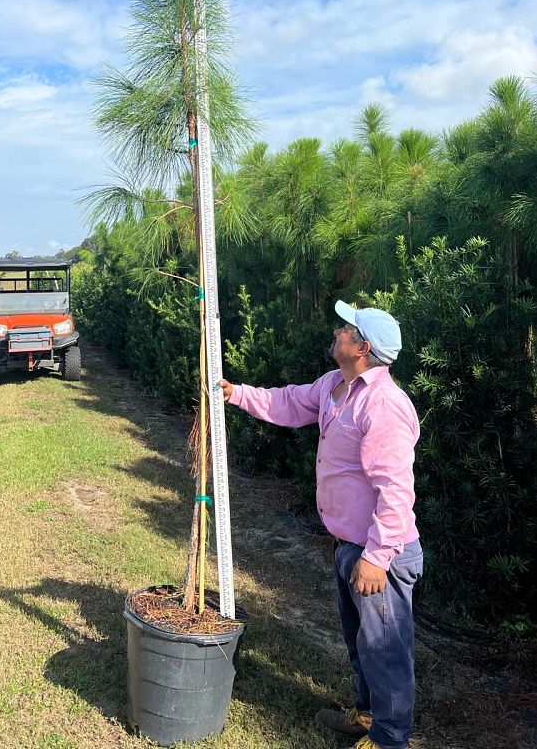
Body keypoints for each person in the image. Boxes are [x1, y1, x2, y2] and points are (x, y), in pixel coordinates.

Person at [221, 300, 422, 749]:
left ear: (362, 347)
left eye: (346, 327)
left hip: (379, 554)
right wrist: (237, 393)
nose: (337, 330)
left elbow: (395, 490)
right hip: (351, 544)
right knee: (361, 642)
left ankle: (391, 739)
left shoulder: (384, 405)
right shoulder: (335, 385)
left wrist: (376, 557)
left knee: (385, 651)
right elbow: (290, 401)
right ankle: (368, 716)